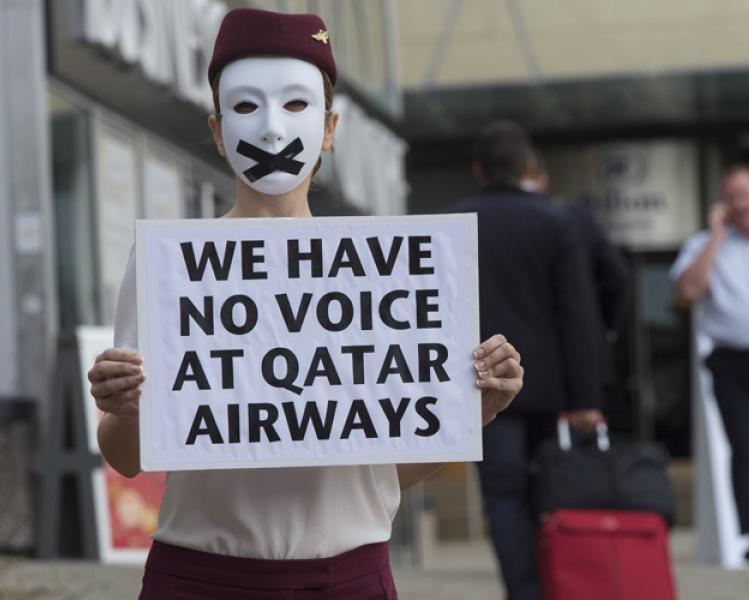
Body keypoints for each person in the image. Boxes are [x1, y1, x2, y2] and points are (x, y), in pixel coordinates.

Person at [86, 9, 524, 599]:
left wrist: (474, 411)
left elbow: (378, 471)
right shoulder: (170, 266)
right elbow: (128, 457)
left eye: (296, 105)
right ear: (218, 131)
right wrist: (125, 406)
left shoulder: (384, 270)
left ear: (329, 127)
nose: (270, 130)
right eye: (245, 108)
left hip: (348, 575)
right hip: (200, 575)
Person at [449, 120, 603, 600]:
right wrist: (586, 398)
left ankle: (523, 592)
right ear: (530, 167)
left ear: (478, 169)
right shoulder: (557, 221)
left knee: (501, 497)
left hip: (479, 386)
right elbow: (577, 313)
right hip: (546, 388)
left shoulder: (456, 221)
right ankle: (554, 585)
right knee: (547, 495)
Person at [671, 164, 749, 563]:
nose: (741, 204)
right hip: (731, 362)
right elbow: (687, 291)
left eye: (747, 194)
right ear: (723, 204)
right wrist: (715, 237)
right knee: (746, 447)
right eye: (733, 197)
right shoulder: (704, 245)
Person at [520, 147, 630, 386]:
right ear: (543, 180)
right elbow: (617, 279)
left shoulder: (481, 217)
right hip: (577, 359)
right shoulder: (575, 218)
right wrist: (604, 330)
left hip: (514, 362)